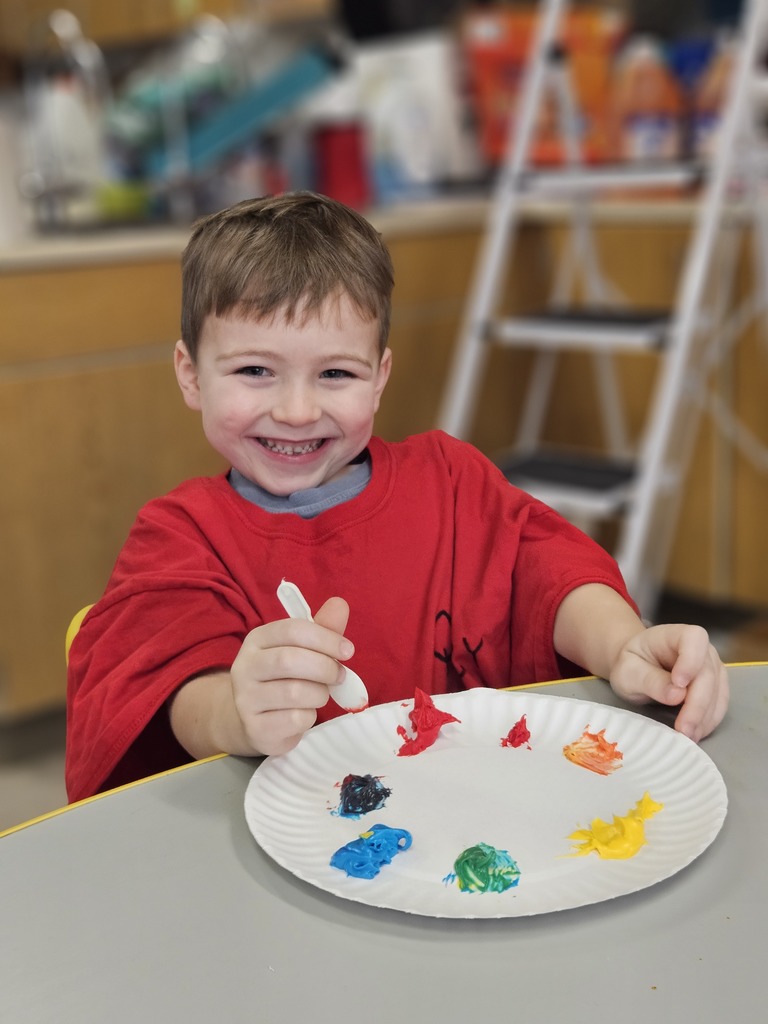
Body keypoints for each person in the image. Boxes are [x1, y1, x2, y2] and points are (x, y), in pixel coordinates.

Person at [65, 192, 729, 802]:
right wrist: (233, 713)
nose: (297, 411)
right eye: (254, 371)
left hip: (473, 822)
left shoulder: (449, 481)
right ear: (191, 374)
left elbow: (547, 573)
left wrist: (622, 646)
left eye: (335, 373)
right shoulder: (181, 535)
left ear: (379, 378)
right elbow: (162, 688)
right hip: (282, 857)